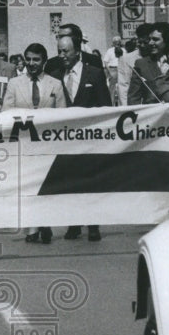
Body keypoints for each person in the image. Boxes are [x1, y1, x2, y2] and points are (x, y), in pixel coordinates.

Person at [3, 42, 66, 244]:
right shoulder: (14, 83)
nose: (31, 63)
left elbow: (63, 116)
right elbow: (7, 112)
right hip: (24, 143)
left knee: (45, 186)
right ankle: (32, 227)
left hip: (47, 145)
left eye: (36, 59)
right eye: (28, 59)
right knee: (28, 186)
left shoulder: (55, 83)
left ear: (44, 61)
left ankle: (44, 223)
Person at [57, 31, 112, 242]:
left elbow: (105, 107)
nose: (62, 55)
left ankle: (93, 224)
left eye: (66, 51)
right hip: (65, 140)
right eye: (59, 51)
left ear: (77, 51)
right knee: (70, 183)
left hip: (90, 139)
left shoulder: (95, 74)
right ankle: (73, 223)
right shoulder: (55, 74)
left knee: (90, 183)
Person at [117, 24, 154, 105]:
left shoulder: (158, 57)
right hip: (134, 104)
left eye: (145, 42)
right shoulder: (126, 59)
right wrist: (127, 110)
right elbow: (123, 86)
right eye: (140, 42)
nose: (142, 45)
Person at [102, 35, 126, 105]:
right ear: (113, 42)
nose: (117, 43)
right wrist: (109, 71)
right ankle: (111, 105)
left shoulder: (123, 50)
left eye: (118, 41)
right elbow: (105, 61)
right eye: (115, 41)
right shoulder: (110, 51)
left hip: (121, 69)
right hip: (112, 69)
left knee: (121, 88)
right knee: (112, 89)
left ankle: (122, 105)